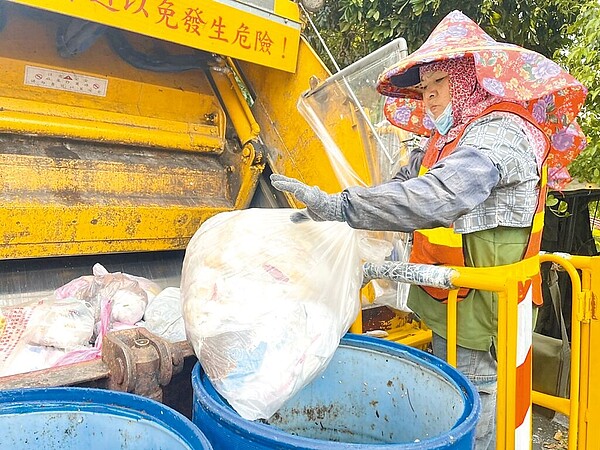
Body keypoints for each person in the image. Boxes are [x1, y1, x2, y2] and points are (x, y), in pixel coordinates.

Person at [270, 11, 587, 450]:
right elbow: (404, 185)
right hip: (447, 304)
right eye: (423, 91)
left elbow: (440, 195)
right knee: (450, 405)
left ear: (466, 81)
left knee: (475, 414)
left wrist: (341, 207)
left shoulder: (503, 134)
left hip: (481, 317)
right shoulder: (449, 136)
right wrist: (331, 208)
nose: (428, 100)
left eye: (437, 86)